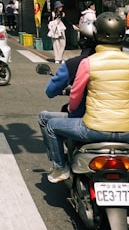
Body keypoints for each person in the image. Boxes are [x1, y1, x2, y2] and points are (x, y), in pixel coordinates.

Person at [44, 12, 129, 183]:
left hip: (94, 128)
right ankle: (128, 175)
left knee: (51, 126)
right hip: (127, 131)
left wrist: (73, 110)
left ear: (96, 35)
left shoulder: (88, 63)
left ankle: (60, 167)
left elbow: (75, 95)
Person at [38, 23, 96, 172]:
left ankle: (59, 165)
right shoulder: (124, 64)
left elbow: (51, 91)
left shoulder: (77, 64)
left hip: (87, 121)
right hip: (120, 124)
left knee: (45, 119)